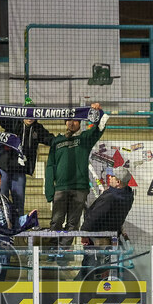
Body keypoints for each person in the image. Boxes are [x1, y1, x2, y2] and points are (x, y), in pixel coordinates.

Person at [45, 103, 107, 253]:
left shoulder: (85, 138)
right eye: (68, 120)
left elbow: (100, 126)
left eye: (74, 120)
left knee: (73, 223)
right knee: (56, 221)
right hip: (60, 189)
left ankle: (64, 251)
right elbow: (50, 166)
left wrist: (98, 111)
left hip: (80, 188)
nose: (71, 123)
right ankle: (52, 250)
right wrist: (49, 190)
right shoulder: (57, 141)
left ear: (79, 122)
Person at [0, 103, 55, 216]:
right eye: (27, 114)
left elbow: (50, 139)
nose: (30, 117)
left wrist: (64, 140)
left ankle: (17, 225)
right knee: (1, 198)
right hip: (2, 167)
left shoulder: (38, 129)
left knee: (19, 202)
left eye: (33, 114)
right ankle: (1, 223)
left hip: (19, 170)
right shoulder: (14, 122)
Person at [79, 167, 134, 274]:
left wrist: (84, 233)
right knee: (105, 267)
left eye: (112, 176)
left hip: (98, 238)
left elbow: (94, 216)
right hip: (111, 237)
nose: (109, 178)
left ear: (118, 182)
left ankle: (87, 283)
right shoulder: (128, 195)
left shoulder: (110, 197)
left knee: (91, 268)